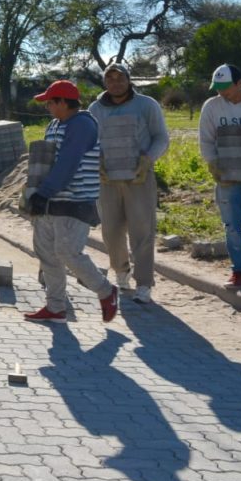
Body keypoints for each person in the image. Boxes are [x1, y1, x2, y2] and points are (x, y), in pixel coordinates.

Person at [25, 80, 119, 324]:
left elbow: (68, 163)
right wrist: (35, 193)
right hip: (51, 201)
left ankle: (106, 292)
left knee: (68, 253)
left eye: (50, 102)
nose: (47, 107)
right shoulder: (54, 125)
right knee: (46, 253)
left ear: (63, 103)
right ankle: (56, 307)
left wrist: (43, 193)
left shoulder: (82, 125)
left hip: (75, 202)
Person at [88, 63, 169, 304]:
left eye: (120, 78)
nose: (115, 83)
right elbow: (90, 142)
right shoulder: (95, 109)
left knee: (142, 232)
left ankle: (144, 283)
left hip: (139, 179)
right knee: (111, 232)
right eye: (110, 79)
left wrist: (148, 159)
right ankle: (121, 271)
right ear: (105, 82)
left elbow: (161, 137)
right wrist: (96, 162)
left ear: (128, 80)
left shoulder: (147, 105)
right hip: (107, 181)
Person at [198, 64, 241, 289]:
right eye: (218, 88)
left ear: (240, 83)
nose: (222, 92)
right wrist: (213, 163)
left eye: (226, 87)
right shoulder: (212, 107)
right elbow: (206, 139)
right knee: (231, 226)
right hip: (227, 179)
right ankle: (239, 270)